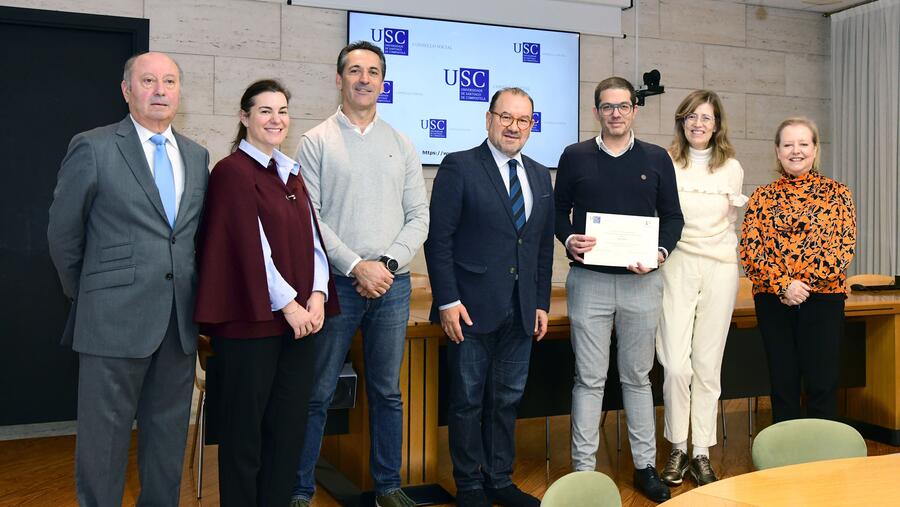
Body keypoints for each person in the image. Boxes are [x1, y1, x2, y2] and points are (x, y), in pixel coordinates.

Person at [47, 52, 208, 506]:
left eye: (170, 81)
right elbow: (63, 234)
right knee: (103, 445)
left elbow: (192, 238)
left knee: (167, 442)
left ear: (179, 91)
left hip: (177, 324)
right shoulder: (94, 147)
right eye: (148, 80)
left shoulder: (196, 155)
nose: (160, 90)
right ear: (126, 90)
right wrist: (90, 295)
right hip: (111, 321)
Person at [290, 41, 429, 507]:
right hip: (335, 285)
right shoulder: (315, 141)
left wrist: (385, 265)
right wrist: (355, 265)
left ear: (383, 82)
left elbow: (419, 216)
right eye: (354, 70)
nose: (364, 79)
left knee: (387, 392)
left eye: (373, 72)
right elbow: (310, 218)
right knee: (318, 391)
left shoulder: (401, 143)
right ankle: (300, 490)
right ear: (339, 79)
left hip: (392, 285)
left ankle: (388, 487)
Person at [193, 79, 339, 506]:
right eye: (265, 111)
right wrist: (290, 305)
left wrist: (317, 294)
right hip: (250, 326)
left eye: (282, 112)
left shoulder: (290, 172)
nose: (276, 120)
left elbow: (313, 241)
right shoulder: (231, 172)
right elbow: (249, 247)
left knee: (287, 432)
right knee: (245, 436)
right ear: (244, 117)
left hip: (299, 325)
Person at [554, 76, 683, 503]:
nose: (615, 113)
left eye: (623, 106)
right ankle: (583, 471)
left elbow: (673, 217)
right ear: (596, 111)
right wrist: (568, 239)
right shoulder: (574, 156)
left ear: (634, 110)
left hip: (642, 283)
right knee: (588, 379)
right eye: (607, 106)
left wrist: (660, 252)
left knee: (638, 378)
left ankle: (644, 467)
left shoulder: (656, 158)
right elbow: (557, 212)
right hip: (588, 281)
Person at [425, 88, 554, 507]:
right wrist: (447, 301)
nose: (514, 127)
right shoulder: (460, 166)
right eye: (506, 117)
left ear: (531, 126)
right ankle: (469, 486)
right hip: (469, 309)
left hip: (521, 310)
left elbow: (541, 248)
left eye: (523, 120)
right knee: (466, 401)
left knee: (506, 401)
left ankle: (499, 479)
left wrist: (540, 302)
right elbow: (438, 240)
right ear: (488, 119)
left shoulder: (539, 175)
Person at [656, 90, 747, 487]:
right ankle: (677, 446)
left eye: (706, 117)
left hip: (720, 268)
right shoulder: (665, 162)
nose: (698, 123)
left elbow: (729, 223)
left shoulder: (732, 168)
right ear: (682, 121)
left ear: (717, 124)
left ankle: (700, 452)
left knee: (708, 366)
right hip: (676, 264)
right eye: (691, 116)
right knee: (676, 365)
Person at [740, 117, 856, 424]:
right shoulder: (762, 196)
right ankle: (786, 453)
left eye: (803, 144)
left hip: (824, 300)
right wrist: (783, 286)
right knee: (783, 385)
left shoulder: (838, 194)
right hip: (773, 301)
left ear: (815, 149)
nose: (796, 151)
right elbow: (750, 250)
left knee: (823, 385)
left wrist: (802, 285)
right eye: (788, 144)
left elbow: (843, 248)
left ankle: (823, 453)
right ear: (777, 151)